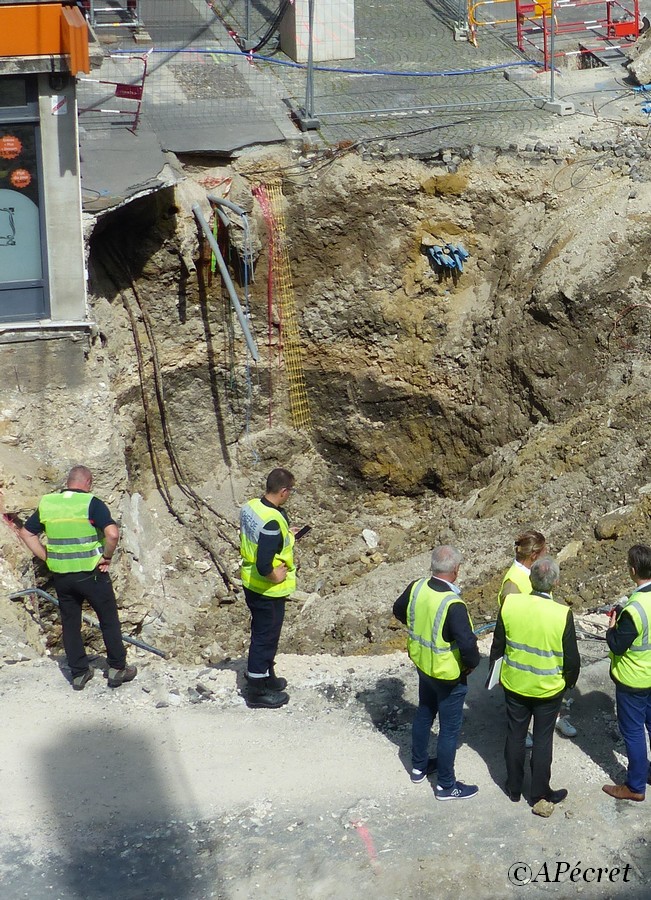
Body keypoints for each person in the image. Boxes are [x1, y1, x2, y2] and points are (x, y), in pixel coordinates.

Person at [18, 465, 136, 690]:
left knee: (70, 623)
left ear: (68, 482)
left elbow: (26, 532)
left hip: (62, 576)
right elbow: (112, 533)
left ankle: (79, 673)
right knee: (108, 619)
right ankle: (117, 668)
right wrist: (107, 557)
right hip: (91, 573)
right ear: (88, 482)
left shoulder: (48, 503)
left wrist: (47, 557)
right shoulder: (91, 503)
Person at [489, 557, 580, 810]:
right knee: (542, 739)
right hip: (548, 689)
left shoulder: (510, 605)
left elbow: (498, 646)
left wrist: (494, 676)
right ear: (556, 583)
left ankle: (514, 787)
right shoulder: (561, 614)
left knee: (515, 735)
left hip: (515, 684)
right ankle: (539, 792)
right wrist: (568, 683)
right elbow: (572, 659)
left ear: (531, 579)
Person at [393, 545, 480, 800]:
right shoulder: (453, 604)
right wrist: (472, 664)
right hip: (448, 674)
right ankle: (445, 785)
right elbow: (467, 644)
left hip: (423, 665)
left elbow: (399, 610)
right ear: (456, 570)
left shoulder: (417, 587)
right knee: (449, 730)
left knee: (424, 713)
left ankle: (419, 767)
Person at [498, 530, 578, 740]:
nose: (549, 552)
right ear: (534, 555)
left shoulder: (535, 573)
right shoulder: (513, 583)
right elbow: (507, 623)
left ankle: (556, 717)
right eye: (545, 549)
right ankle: (522, 731)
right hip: (526, 653)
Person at [240, 467, 297, 710]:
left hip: (251, 583)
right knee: (265, 637)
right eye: (290, 491)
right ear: (283, 491)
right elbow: (265, 563)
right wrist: (275, 576)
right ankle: (256, 690)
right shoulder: (272, 522)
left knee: (264, 634)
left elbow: (261, 538)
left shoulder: (253, 506)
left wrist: (287, 536)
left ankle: (266, 675)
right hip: (266, 589)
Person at [602, 544, 651, 802]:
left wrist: (611, 628)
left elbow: (618, 646)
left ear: (633, 570)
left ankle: (634, 786)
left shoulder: (635, 609)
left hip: (634, 680)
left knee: (633, 731)